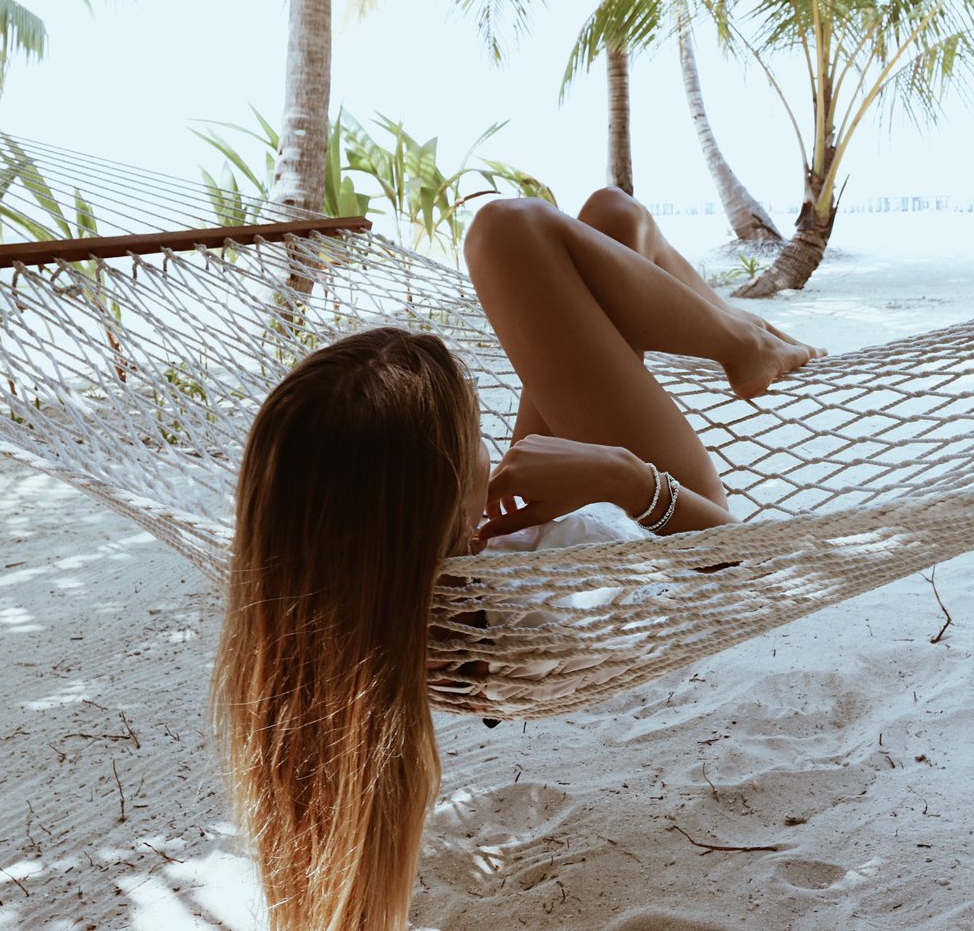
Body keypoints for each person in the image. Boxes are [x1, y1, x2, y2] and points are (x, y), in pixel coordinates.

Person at [213, 189, 823, 931]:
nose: (484, 440)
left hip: (528, 525)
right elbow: (730, 568)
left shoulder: (352, 573)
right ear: (438, 496)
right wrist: (625, 476)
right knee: (509, 230)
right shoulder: (505, 611)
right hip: (661, 526)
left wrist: (508, 504)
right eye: (472, 433)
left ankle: (739, 332)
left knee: (610, 221)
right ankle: (744, 343)